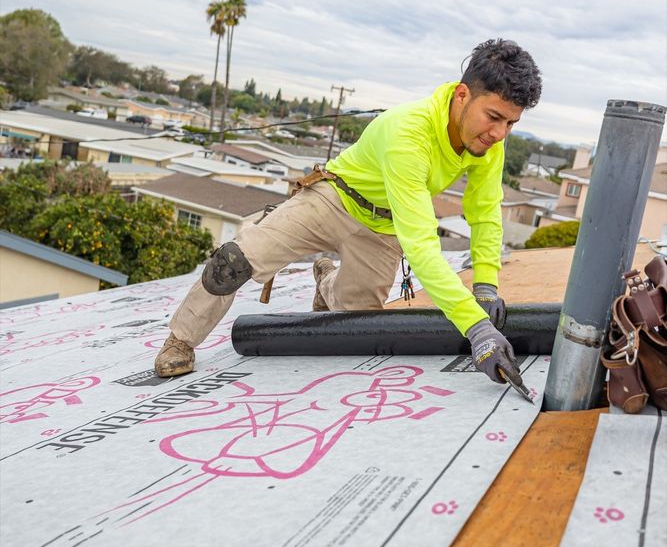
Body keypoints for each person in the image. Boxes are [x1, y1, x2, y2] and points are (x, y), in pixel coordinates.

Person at [155, 38, 542, 384]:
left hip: (383, 229)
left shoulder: (489, 146)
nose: (499, 133)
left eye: (511, 123)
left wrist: (487, 285)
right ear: (461, 95)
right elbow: (423, 246)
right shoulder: (409, 133)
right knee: (233, 262)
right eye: (493, 117)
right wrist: (476, 327)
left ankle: (326, 280)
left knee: (356, 320)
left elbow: (486, 213)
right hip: (333, 200)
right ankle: (181, 339)